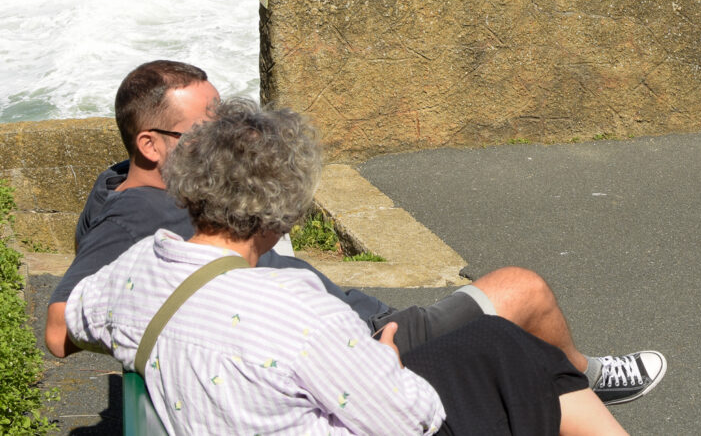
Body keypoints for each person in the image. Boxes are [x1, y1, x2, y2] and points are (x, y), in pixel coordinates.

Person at [46, 60, 666, 406]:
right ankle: (588, 375)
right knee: (522, 294)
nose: (226, 138)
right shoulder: (135, 215)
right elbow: (57, 327)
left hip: (345, 330)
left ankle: (575, 380)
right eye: (207, 130)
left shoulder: (140, 187)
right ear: (150, 145)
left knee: (528, 357)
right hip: (355, 349)